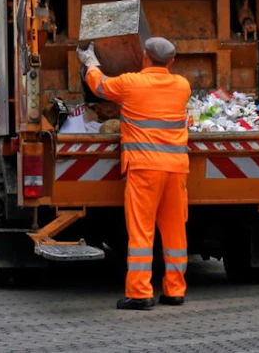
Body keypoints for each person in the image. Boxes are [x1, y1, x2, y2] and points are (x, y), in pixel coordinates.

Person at [77, 37, 191, 311]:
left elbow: (100, 86)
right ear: (172, 61)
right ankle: (174, 290)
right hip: (176, 170)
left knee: (142, 231)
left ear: (144, 57)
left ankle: (140, 292)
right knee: (175, 231)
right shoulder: (182, 86)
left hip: (144, 169)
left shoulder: (131, 83)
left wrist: (90, 62)